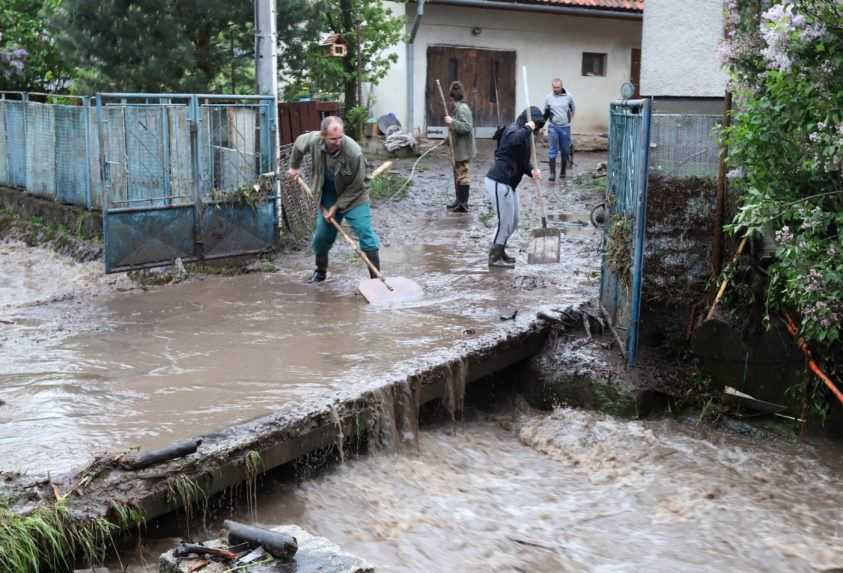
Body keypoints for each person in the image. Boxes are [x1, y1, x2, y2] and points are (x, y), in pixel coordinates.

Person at [287, 116, 381, 283]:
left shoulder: (354, 152)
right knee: (321, 238)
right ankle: (320, 272)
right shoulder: (313, 140)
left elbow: (358, 185)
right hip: (328, 195)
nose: (337, 142)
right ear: (323, 136)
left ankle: (376, 279)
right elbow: (299, 144)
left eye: (340, 137)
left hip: (355, 196)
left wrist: (337, 207)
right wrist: (294, 167)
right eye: (332, 139)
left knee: (365, 234)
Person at [484, 106, 545, 268]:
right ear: (529, 121)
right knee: (505, 221)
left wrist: (532, 170)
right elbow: (512, 141)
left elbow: (522, 162)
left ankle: (501, 249)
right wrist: (527, 128)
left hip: (510, 184)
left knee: (514, 221)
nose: (537, 130)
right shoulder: (514, 129)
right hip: (499, 181)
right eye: (536, 126)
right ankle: (494, 256)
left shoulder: (525, 136)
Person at [444, 81, 476, 212]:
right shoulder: (458, 108)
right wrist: (447, 140)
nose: (450, 102)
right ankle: (459, 201)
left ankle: (463, 203)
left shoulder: (462, 109)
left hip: (463, 149)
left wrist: (452, 121)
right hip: (458, 148)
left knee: (463, 175)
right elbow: (455, 130)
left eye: (450, 99)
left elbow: (467, 127)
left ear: (452, 97)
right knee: (458, 175)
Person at [543, 78, 575, 182]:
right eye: (554, 87)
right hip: (553, 127)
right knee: (553, 150)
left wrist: (568, 120)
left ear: (561, 87)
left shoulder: (569, 97)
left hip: (565, 127)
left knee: (565, 150)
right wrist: (541, 125)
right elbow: (546, 113)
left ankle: (563, 171)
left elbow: (573, 109)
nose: (555, 89)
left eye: (557, 87)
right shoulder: (548, 98)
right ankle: (552, 173)